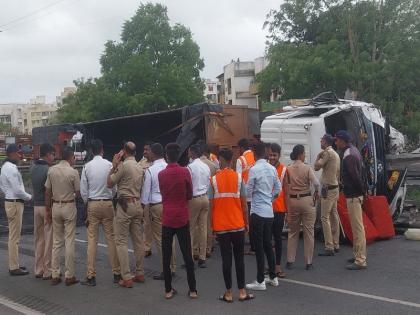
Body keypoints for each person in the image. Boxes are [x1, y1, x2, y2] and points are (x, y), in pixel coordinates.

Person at [208, 148, 254, 302]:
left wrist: (212, 226)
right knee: (239, 259)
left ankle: (228, 293)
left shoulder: (213, 180)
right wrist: (246, 222)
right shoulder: (239, 178)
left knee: (226, 260)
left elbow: (211, 206)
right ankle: (242, 292)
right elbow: (244, 205)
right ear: (232, 160)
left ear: (220, 159)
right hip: (237, 225)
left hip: (221, 227)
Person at [159, 143, 197, 300]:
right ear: (178, 155)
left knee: (166, 255)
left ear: (167, 156)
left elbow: (162, 192)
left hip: (167, 217)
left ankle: (168, 289)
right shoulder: (185, 171)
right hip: (182, 216)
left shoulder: (161, 174)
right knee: (187, 254)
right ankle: (193, 289)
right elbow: (189, 193)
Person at [80, 139, 121, 286]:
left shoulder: (87, 167)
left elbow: (83, 190)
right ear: (102, 149)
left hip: (93, 203)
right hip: (108, 203)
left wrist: (87, 203)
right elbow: (114, 186)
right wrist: (111, 195)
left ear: (91, 151)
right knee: (111, 238)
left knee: (92, 239)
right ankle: (117, 273)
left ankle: (91, 275)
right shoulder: (110, 165)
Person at [107, 142, 145, 288]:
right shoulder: (139, 167)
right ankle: (140, 272)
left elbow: (109, 183)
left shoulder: (123, 166)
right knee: (138, 240)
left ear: (124, 151)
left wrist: (114, 165)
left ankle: (127, 276)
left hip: (124, 205)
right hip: (137, 203)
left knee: (121, 241)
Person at [246, 142, 281, 291]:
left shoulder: (254, 169)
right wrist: (270, 198)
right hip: (269, 212)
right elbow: (278, 188)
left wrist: (255, 198)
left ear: (254, 153)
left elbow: (248, 191)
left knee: (259, 247)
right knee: (268, 244)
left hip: (257, 212)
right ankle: (273, 277)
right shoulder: (272, 169)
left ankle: (260, 280)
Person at [45, 147, 80, 286]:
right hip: (69, 206)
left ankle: (55, 274)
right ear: (71, 157)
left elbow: (47, 191)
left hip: (55, 207)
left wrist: (48, 209)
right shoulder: (73, 172)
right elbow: (78, 192)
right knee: (69, 240)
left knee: (57, 241)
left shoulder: (51, 170)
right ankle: (69, 275)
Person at [141, 143, 176, 280]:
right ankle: (172, 266)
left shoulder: (151, 170)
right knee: (171, 237)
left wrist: (142, 208)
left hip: (157, 206)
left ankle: (166, 269)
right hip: (170, 204)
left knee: (161, 239)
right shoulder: (169, 166)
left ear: (154, 154)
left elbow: (145, 193)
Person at [335, 130, 367, 270]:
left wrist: (362, 192)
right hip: (355, 195)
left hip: (353, 196)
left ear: (342, 140)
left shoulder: (348, 155)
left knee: (357, 229)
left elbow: (355, 177)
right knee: (356, 228)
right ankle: (357, 255)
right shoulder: (354, 150)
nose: (335, 142)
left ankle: (360, 260)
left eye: (337, 140)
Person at [284, 145, 320, 271]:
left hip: (293, 201)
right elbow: (316, 183)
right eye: (304, 153)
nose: (305, 155)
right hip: (306, 200)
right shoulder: (307, 168)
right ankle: (308, 262)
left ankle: (290, 260)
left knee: (293, 232)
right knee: (308, 232)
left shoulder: (288, 169)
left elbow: (286, 188)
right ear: (300, 154)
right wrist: (316, 192)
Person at [0, 144, 32, 276]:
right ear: (12, 154)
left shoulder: (4, 168)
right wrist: (29, 197)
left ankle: (15, 264)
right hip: (15, 203)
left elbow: (3, 187)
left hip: (10, 201)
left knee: (13, 236)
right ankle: (14, 267)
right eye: (18, 153)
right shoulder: (11, 169)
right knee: (14, 237)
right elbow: (18, 189)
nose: (20, 156)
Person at [31, 143, 55, 280]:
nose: (53, 157)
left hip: (35, 207)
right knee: (48, 240)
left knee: (38, 239)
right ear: (47, 154)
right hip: (46, 207)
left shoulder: (33, 168)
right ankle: (48, 270)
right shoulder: (48, 170)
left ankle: (38, 269)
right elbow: (49, 191)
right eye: (52, 154)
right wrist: (50, 209)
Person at [314, 134, 341, 256]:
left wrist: (317, 157)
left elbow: (316, 167)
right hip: (335, 187)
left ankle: (329, 246)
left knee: (324, 217)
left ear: (325, 142)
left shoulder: (326, 153)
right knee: (334, 215)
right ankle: (336, 243)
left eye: (321, 140)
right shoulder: (336, 154)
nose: (320, 142)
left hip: (328, 189)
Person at [187, 144, 211, 268]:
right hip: (205, 197)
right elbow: (208, 182)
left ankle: (190, 256)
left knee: (190, 228)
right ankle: (202, 257)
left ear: (192, 153)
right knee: (203, 227)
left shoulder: (190, 167)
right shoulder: (205, 166)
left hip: (194, 198)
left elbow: (188, 185)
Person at [268, 143, 287, 278]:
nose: (272, 157)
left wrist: (289, 211)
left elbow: (287, 191)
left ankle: (278, 266)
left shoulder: (284, 170)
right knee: (267, 239)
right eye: (270, 155)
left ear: (279, 155)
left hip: (279, 209)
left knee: (277, 239)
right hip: (266, 210)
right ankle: (269, 265)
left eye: (274, 155)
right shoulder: (266, 168)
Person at [236, 138, 256, 254]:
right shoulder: (255, 156)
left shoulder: (241, 160)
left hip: (245, 194)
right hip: (255, 193)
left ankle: (249, 245)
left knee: (245, 219)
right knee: (253, 219)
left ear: (241, 148)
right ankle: (255, 244)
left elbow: (238, 179)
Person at [199, 142, 219, 258]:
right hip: (210, 197)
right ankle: (208, 247)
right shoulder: (213, 165)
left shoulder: (194, 164)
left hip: (197, 196)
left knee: (198, 225)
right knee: (208, 223)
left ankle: (197, 249)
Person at [139, 141, 153, 258]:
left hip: (159, 198)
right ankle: (147, 247)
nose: (144, 152)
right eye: (144, 150)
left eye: (147, 150)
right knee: (146, 224)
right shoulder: (141, 163)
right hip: (147, 198)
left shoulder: (160, 162)